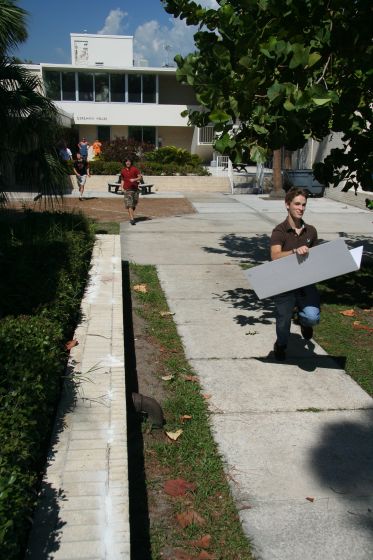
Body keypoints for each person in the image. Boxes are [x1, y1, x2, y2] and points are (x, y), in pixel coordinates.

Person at [270, 187, 320, 360]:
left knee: (312, 317)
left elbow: (315, 258)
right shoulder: (279, 231)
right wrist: (294, 252)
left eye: (303, 205)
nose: (301, 208)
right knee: (283, 320)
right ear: (287, 205)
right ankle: (281, 345)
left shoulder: (311, 231)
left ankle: (305, 323)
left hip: (305, 282)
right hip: (284, 283)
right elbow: (275, 256)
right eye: (297, 204)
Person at [120, 157, 142, 225]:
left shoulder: (135, 169)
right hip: (127, 190)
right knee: (129, 205)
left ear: (131, 162)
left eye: (129, 161)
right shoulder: (123, 170)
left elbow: (140, 177)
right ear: (125, 163)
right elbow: (122, 180)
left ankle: (132, 208)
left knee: (134, 203)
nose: (128, 162)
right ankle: (132, 219)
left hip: (135, 190)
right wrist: (121, 187)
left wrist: (134, 179)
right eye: (126, 161)